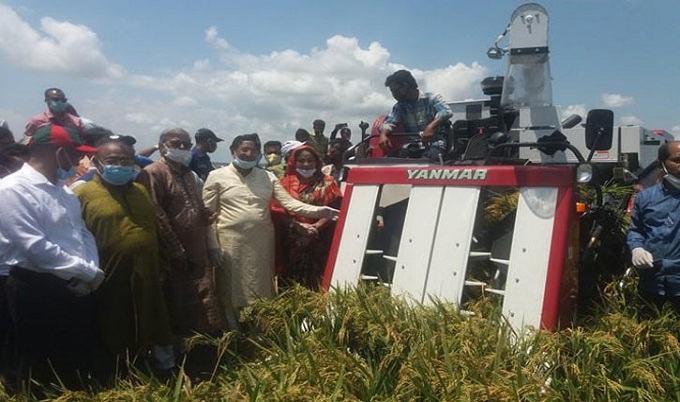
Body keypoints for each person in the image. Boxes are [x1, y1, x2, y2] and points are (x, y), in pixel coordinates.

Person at [0, 124, 107, 388]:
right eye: (74, 153)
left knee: (71, 359)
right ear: (58, 152)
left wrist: (89, 271)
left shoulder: (63, 190)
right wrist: (86, 272)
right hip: (36, 287)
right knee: (38, 366)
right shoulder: (12, 190)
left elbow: (83, 234)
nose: (79, 161)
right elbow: (35, 248)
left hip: (73, 285)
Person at [202, 134, 338, 323]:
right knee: (230, 289)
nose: (249, 154)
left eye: (254, 151)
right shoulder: (216, 176)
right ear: (234, 151)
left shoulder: (267, 176)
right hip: (229, 242)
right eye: (245, 150)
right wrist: (212, 245)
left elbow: (289, 203)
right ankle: (232, 332)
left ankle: (259, 329)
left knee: (260, 287)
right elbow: (206, 215)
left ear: (259, 154)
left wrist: (320, 211)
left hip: (262, 243)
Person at [73, 141, 176, 370]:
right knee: (114, 322)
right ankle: (119, 371)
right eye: (112, 161)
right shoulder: (81, 193)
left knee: (153, 318)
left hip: (147, 271)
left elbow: (152, 228)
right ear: (97, 163)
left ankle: (158, 368)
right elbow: (73, 236)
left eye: (126, 161)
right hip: (108, 274)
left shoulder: (140, 190)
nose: (120, 166)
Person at [137, 128, 226, 337]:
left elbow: (194, 204)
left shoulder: (187, 173)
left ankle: (205, 342)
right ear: (162, 147)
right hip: (173, 251)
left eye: (186, 145)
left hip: (196, 245)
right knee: (176, 299)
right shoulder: (153, 173)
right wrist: (175, 249)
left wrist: (204, 215)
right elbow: (156, 213)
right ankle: (182, 348)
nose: (182, 148)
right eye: (176, 144)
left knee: (203, 293)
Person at [271, 145, 343, 290]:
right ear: (293, 163)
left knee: (318, 280)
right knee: (290, 282)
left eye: (310, 161)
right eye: (301, 161)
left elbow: (336, 208)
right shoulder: (283, 184)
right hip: (292, 241)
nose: (306, 164)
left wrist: (315, 227)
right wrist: (298, 227)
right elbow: (276, 211)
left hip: (320, 238)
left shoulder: (328, 182)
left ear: (317, 163)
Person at [627, 141, 680, 317]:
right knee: (650, 334)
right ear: (661, 164)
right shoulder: (646, 198)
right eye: (677, 160)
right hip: (652, 282)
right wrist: (637, 248)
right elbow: (636, 229)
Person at [378, 70, 453, 163]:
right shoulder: (399, 107)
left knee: (426, 164)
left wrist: (430, 127)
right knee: (387, 162)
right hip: (412, 146)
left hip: (435, 144)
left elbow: (446, 111)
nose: (394, 95)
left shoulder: (431, 98)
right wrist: (383, 134)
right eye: (392, 92)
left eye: (396, 91)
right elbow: (390, 122)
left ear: (405, 86)